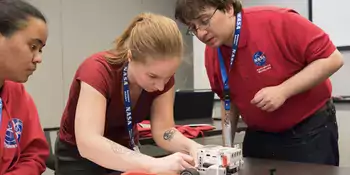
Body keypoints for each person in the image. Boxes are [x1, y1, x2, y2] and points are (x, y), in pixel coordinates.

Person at [174, 0, 344, 166]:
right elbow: (229, 101)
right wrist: (226, 148)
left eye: (204, 21)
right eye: (193, 28)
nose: (201, 33)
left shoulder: (277, 21)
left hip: (309, 131)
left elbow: (332, 59)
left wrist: (284, 90)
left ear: (228, 8)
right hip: (259, 136)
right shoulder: (212, 54)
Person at [54, 12, 203, 175]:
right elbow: (89, 143)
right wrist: (154, 164)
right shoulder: (97, 71)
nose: (161, 86)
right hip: (80, 158)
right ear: (131, 56)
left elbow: (163, 131)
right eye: (153, 76)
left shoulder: (162, 79)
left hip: (124, 152)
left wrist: (193, 147)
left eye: (167, 77)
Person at [0, 0, 50, 174]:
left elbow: (34, 154)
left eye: (40, 49)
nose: (38, 58)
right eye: (33, 46)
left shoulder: (18, 95)